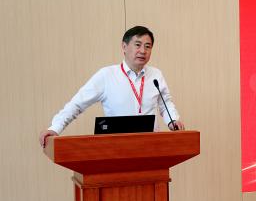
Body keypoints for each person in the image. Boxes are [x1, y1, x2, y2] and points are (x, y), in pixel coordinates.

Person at [39, 26, 185, 148]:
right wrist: (55, 128)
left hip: (151, 145)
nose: (143, 51)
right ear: (124, 46)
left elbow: (165, 103)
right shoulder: (106, 75)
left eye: (148, 46)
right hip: (116, 147)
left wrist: (173, 120)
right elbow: (77, 104)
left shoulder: (156, 75)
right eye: (138, 44)